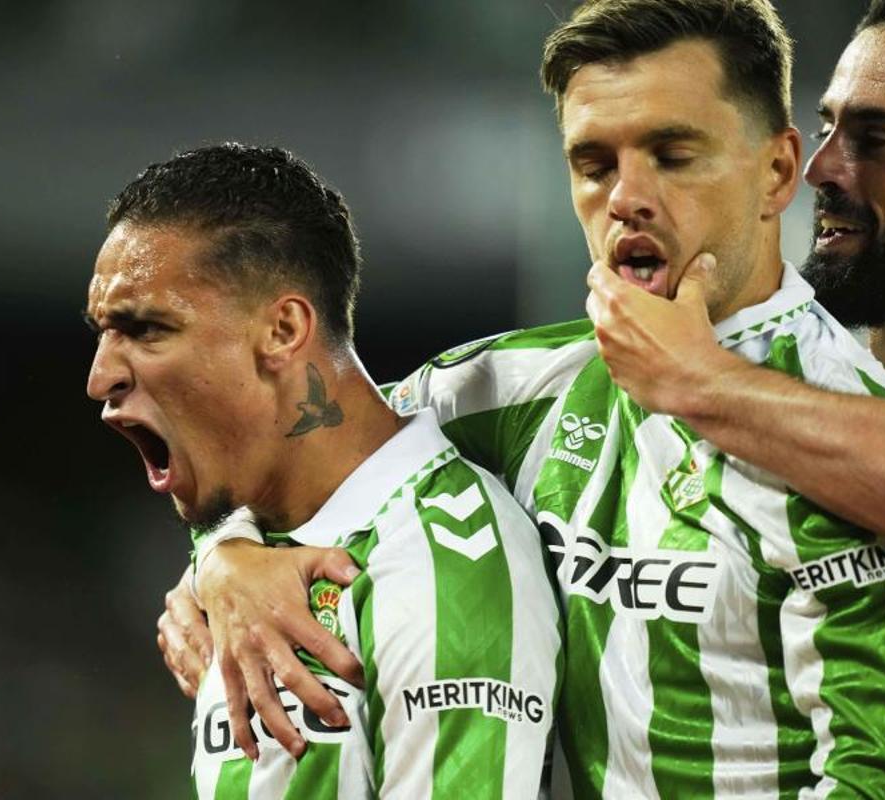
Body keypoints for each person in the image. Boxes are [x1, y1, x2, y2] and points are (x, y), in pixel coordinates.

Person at [161, 1, 885, 795]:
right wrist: (226, 552)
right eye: (594, 164)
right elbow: (296, 450)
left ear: (778, 172)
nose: (626, 198)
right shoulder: (501, 393)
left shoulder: (857, 454)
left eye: (673, 155)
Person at [85, 144, 561, 797]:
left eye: (147, 329)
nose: (99, 377)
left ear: (282, 331)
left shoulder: (441, 571)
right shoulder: (245, 554)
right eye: (103, 333)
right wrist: (220, 556)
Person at [584, 0, 885, 551]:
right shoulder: (801, 366)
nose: (819, 168)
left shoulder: (716, 383)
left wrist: (699, 381)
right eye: (826, 127)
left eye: (873, 139)